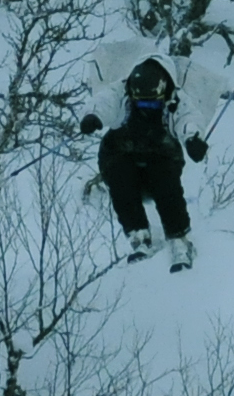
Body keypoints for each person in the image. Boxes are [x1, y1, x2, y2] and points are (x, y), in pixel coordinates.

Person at [78, 43, 213, 270]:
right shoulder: (122, 90)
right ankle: (138, 235)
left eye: (152, 102)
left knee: (166, 183)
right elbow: (104, 101)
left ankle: (179, 238)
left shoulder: (175, 98)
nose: (146, 107)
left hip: (161, 153)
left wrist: (193, 138)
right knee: (121, 181)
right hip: (122, 152)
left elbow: (189, 117)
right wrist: (93, 116)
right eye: (141, 102)